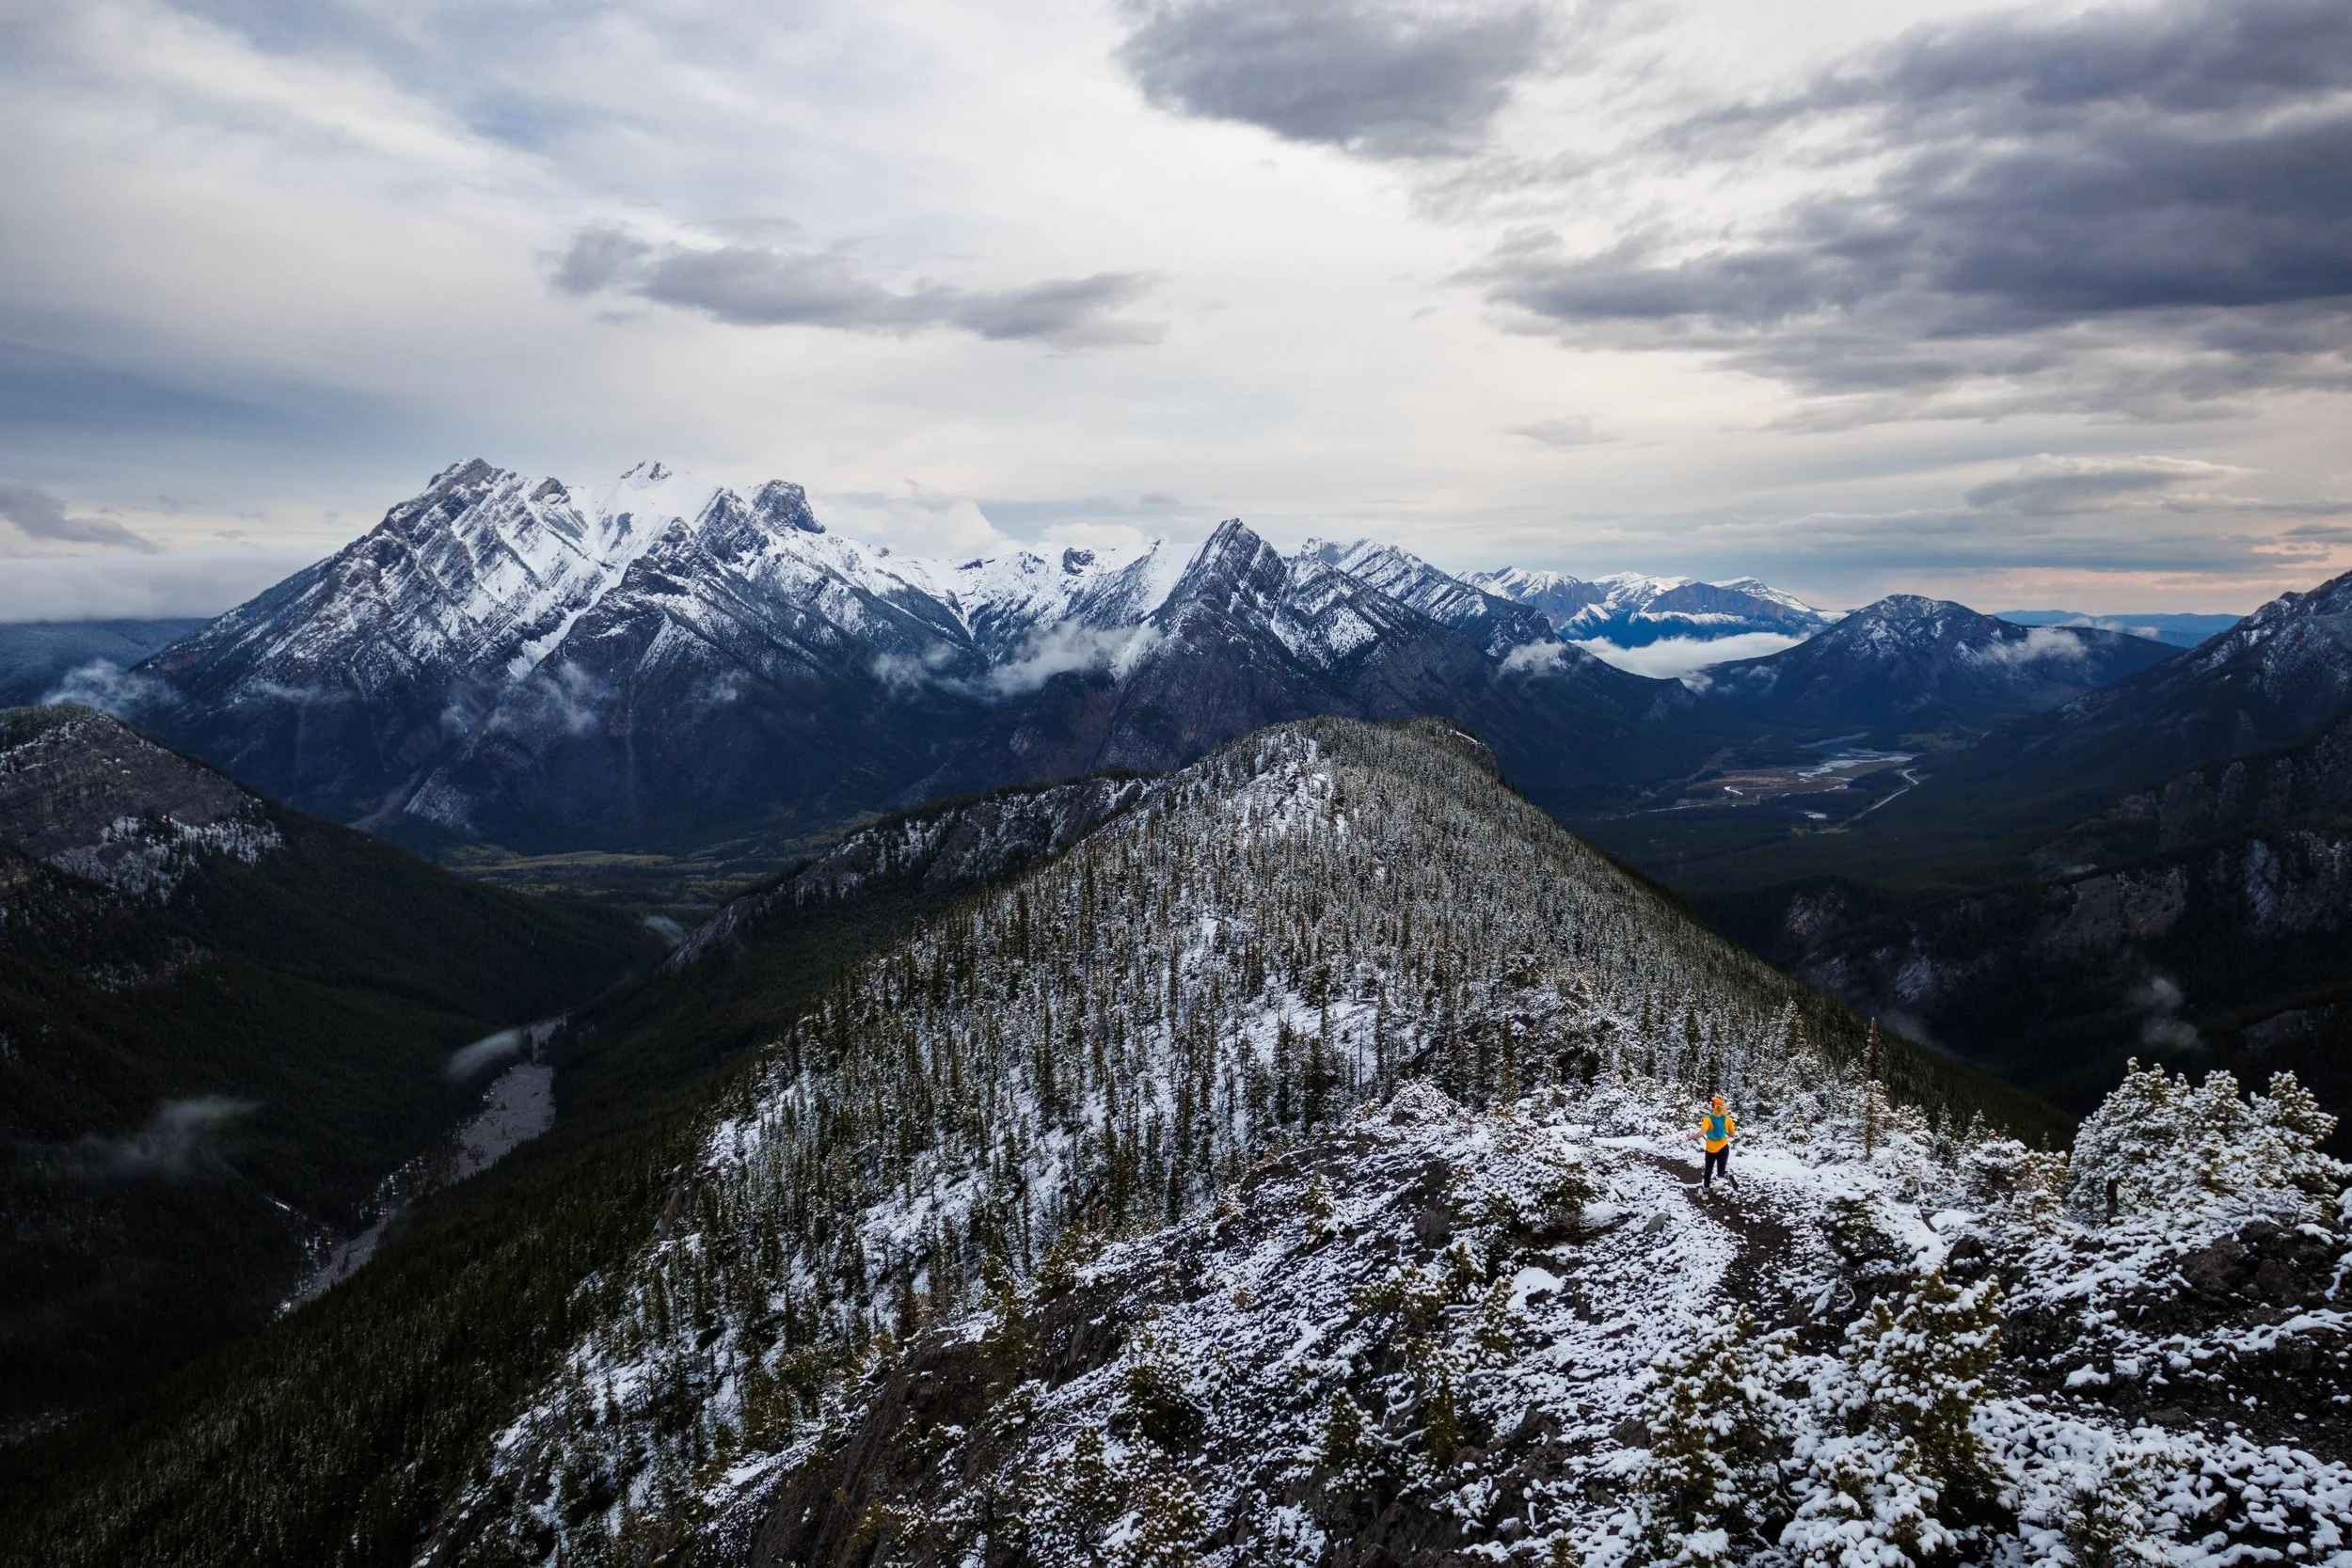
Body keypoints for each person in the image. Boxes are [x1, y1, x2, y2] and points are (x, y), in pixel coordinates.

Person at [1691, 1096, 1738, 1190]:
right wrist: (1724, 1132)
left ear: (1713, 1106)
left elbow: (1701, 1133)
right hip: (1724, 1147)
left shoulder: (1707, 1119)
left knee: (1708, 1171)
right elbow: (1733, 1135)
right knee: (1721, 1172)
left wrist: (1691, 1137)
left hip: (1711, 1149)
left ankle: (1705, 1193)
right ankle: (1728, 1176)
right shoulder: (1728, 1119)